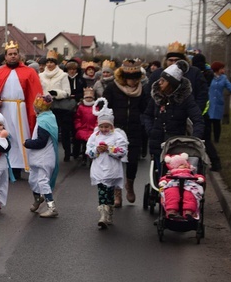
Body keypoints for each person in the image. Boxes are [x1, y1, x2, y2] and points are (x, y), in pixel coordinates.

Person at [0, 39, 44, 178]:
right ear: (5, 56)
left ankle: (22, 165)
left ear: (19, 55)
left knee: (21, 135)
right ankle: (6, 164)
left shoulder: (29, 72)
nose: (12, 56)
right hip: (4, 108)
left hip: (20, 108)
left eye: (15, 53)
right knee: (5, 135)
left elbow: (35, 92)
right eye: (10, 54)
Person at [142, 60, 205, 172]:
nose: (159, 83)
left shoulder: (185, 99)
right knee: (159, 177)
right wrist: (150, 131)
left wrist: (194, 140)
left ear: (171, 83)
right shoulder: (157, 97)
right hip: (157, 144)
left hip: (176, 147)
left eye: (163, 81)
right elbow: (147, 115)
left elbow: (198, 120)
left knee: (174, 177)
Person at [103, 59, 147, 205]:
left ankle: (130, 186)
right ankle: (117, 193)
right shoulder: (111, 88)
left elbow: (145, 109)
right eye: (130, 78)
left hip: (134, 129)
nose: (133, 82)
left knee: (132, 161)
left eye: (136, 78)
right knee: (116, 161)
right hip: (116, 130)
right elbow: (105, 108)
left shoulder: (142, 90)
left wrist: (142, 121)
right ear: (123, 77)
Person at [86, 98, 128, 229]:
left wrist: (109, 150)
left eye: (107, 126)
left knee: (109, 192)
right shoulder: (94, 136)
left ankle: (109, 212)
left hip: (112, 169)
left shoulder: (117, 136)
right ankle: (103, 215)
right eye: (102, 126)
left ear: (112, 126)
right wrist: (96, 150)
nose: (104, 129)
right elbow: (89, 151)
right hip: (99, 168)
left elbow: (122, 151)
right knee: (102, 191)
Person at [205, 61, 231, 172]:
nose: (223, 70)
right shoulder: (209, 77)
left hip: (218, 103)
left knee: (217, 123)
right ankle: (209, 140)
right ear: (217, 69)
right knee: (208, 123)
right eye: (221, 68)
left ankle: (217, 139)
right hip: (209, 104)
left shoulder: (223, 79)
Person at [23, 94, 59, 218]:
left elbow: (41, 141)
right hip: (38, 158)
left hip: (44, 157)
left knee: (43, 181)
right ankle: (38, 199)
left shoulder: (44, 121)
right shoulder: (46, 118)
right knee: (33, 180)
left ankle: (51, 206)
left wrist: (27, 143)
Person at [148, 41, 208, 112]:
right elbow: (148, 96)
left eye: (177, 60)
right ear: (166, 61)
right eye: (171, 60)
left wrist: (195, 112)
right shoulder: (156, 74)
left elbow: (202, 95)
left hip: (187, 114)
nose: (174, 63)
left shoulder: (194, 73)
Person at [40, 50, 74, 162]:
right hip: (46, 107)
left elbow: (67, 92)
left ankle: (67, 153)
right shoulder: (40, 76)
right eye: (47, 62)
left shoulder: (63, 75)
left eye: (52, 62)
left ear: (56, 63)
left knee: (64, 132)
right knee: (47, 131)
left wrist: (56, 93)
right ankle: (47, 153)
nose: (49, 64)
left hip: (61, 107)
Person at [158, 153, 205, 220]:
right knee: (171, 194)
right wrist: (163, 181)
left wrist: (200, 178)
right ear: (175, 167)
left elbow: (197, 176)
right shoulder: (171, 173)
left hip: (189, 185)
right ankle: (171, 210)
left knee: (190, 195)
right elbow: (165, 178)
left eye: (185, 164)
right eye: (181, 165)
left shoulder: (191, 173)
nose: (185, 165)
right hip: (174, 185)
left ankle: (189, 211)